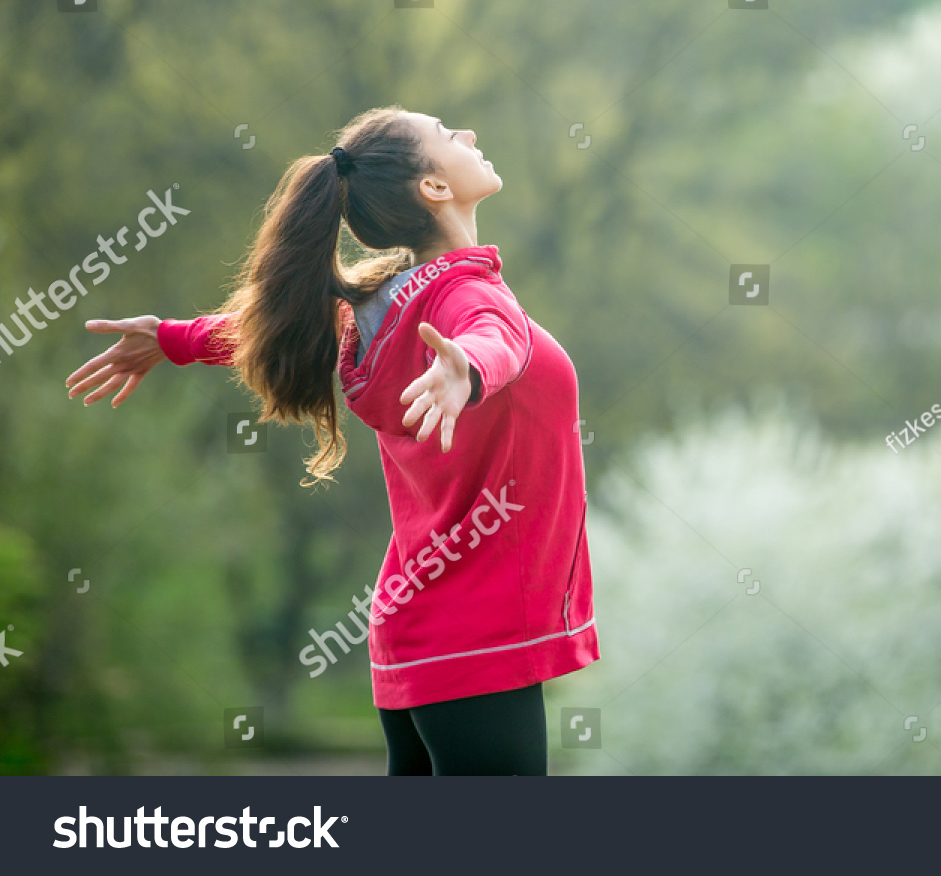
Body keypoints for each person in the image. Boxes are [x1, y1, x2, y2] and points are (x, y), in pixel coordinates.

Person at [62, 105, 598, 775]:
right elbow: (493, 333)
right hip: (474, 641)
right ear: (433, 188)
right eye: (445, 134)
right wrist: (468, 366)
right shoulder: (463, 295)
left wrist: (172, 337)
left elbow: (278, 324)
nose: (469, 134)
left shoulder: (384, 303)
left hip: (422, 635)